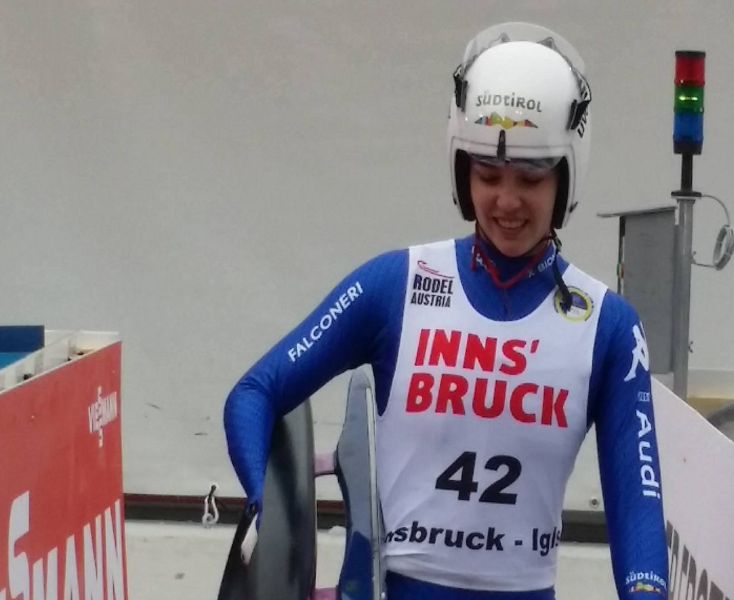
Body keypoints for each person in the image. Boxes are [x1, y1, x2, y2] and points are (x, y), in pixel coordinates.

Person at [224, 22, 669, 599]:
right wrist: (268, 515)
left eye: (530, 178)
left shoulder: (608, 326)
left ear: (566, 178)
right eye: (487, 174)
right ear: (462, 171)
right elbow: (254, 393)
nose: (506, 200)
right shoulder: (396, 285)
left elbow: (638, 506)